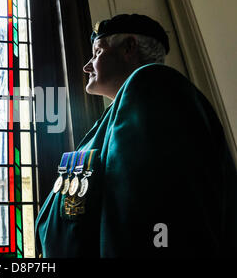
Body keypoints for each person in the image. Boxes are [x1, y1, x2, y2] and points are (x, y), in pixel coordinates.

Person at [35, 14, 237, 258]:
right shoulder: (118, 112)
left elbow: (142, 209)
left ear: (129, 47)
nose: (87, 66)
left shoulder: (151, 84)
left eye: (97, 52)